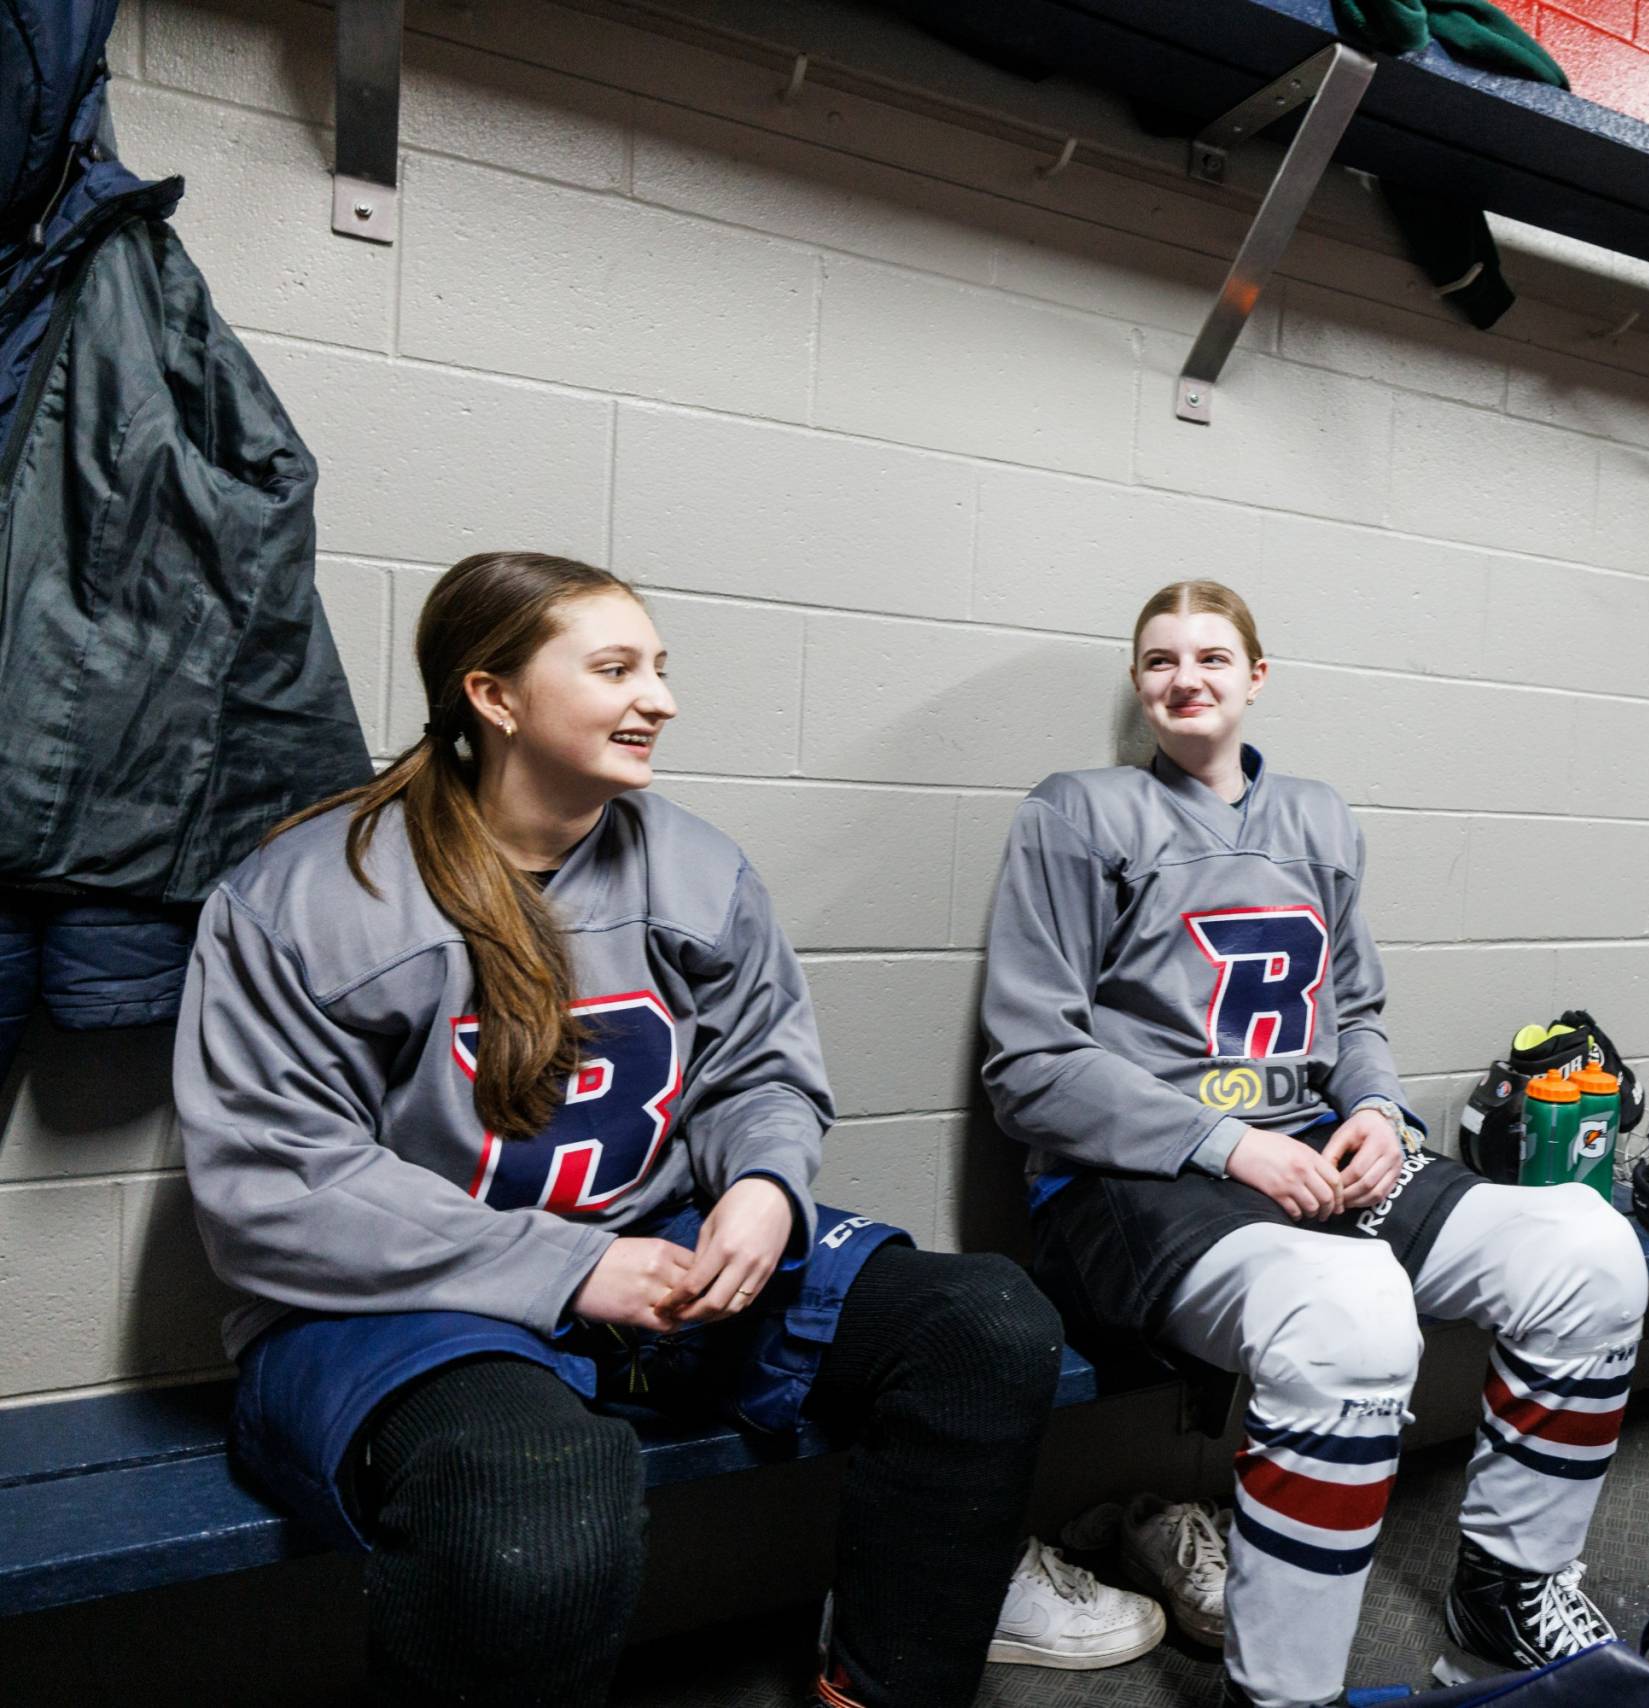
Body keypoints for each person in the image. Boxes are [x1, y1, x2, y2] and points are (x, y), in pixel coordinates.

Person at [173, 552, 1160, 1708]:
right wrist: (575, 1263)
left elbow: (764, 1074)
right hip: (406, 1300)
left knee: (984, 1326)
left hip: (655, 1248)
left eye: (659, 666)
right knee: (532, 1510)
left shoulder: (693, 865)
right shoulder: (311, 899)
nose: (661, 697)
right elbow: (275, 1187)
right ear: (493, 696)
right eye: (614, 668)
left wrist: (763, 1186)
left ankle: (881, 1687)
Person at [980, 580, 1649, 1708]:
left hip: (1309, 1150)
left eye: (1207, 655)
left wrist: (1379, 1114)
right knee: (1353, 1318)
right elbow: (1029, 1068)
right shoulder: (1075, 813)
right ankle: (1283, 1694)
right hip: (1131, 1182)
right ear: (1136, 683)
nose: (1181, 678)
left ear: (1256, 675)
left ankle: (1509, 1588)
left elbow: (1354, 1020)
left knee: (1585, 1249)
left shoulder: (1317, 817)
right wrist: (1225, 1146)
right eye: (1156, 660)